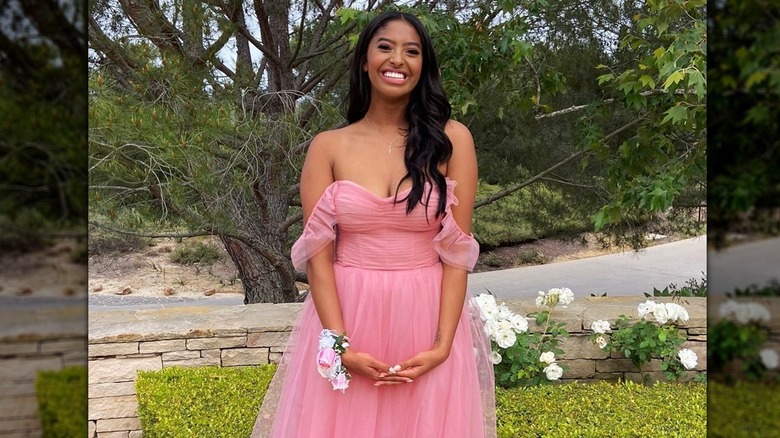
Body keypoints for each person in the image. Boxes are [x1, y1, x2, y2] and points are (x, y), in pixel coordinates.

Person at [252, 10, 496, 438]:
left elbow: (457, 252)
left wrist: (442, 347)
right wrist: (340, 345)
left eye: (412, 51)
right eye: (385, 46)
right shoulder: (328, 147)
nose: (397, 59)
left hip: (426, 317)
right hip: (347, 316)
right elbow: (317, 258)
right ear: (365, 60)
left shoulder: (452, 138)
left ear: (424, 66)